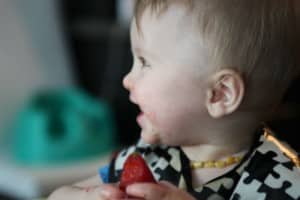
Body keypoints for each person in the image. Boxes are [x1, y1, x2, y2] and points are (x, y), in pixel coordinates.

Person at [48, 0, 300, 199]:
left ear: (219, 94)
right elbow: (57, 196)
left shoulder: (283, 182)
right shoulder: (146, 156)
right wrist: (94, 196)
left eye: (145, 62)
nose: (127, 79)